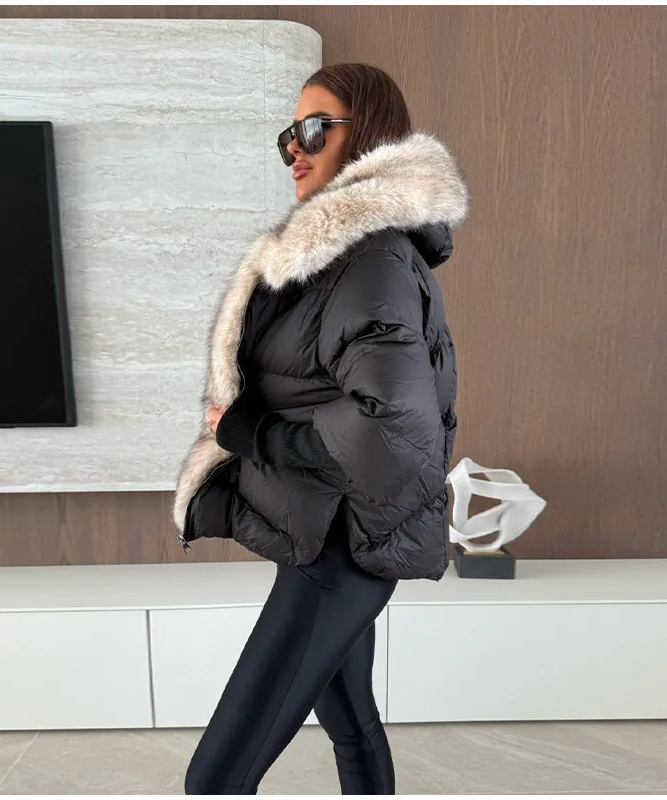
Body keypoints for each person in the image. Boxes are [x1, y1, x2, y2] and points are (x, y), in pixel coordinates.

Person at [174, 63, 468, 795]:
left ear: (366, 136)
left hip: (340, 552)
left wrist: (252, 435)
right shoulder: (338, 255)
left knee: (214, 782)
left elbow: (393, 427)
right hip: (329, 534)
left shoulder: (371, 258)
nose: (294, 150)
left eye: (313, 129)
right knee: (353, 725)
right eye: (289, 134)